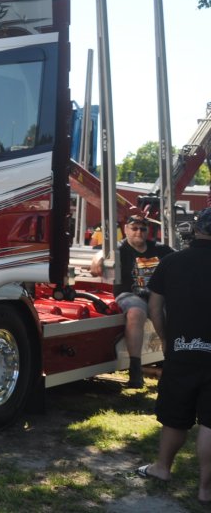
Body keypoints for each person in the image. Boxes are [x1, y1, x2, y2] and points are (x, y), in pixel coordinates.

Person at [136, 207, 211, 503]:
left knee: (175, 417)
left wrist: (166, 339)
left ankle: (162, 468)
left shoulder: (171, 262)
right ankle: (206, 489)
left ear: (197, 229)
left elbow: (154, 307)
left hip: (181, 349)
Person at [91, 213, 174, 388]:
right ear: (126, 229)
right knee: (136, 313)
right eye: (134, 228)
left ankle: (171, 366)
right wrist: (98, 258)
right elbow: (101, 254)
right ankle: (135, 370)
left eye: (142, 229)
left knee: (170, 319)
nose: (138, 232)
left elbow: (180, 259)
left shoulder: (160, 249)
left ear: (148, 231)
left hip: (157, 296)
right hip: (129, 294)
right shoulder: (119, 249)